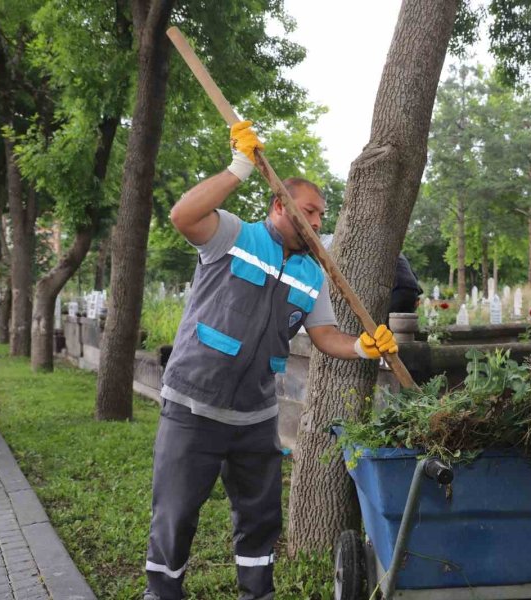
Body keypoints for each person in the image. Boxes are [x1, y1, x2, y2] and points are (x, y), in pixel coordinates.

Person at [143, 121, 398, 600]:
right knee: (175, 515)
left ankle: (257, 594)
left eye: (323, 216)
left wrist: (364, 347)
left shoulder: (311, 274)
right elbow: (183, 216)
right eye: (310, 211)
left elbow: (324, 336)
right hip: (193, 407)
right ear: (279, 205)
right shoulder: (232, 236)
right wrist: (239, 166)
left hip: (255, 416)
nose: (319, 223)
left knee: (261, 521)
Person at [319, 235, 422, 314]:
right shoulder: (388, 250)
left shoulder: (362, 251)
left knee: (383, 331)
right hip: (411, 291)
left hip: (397, 290)